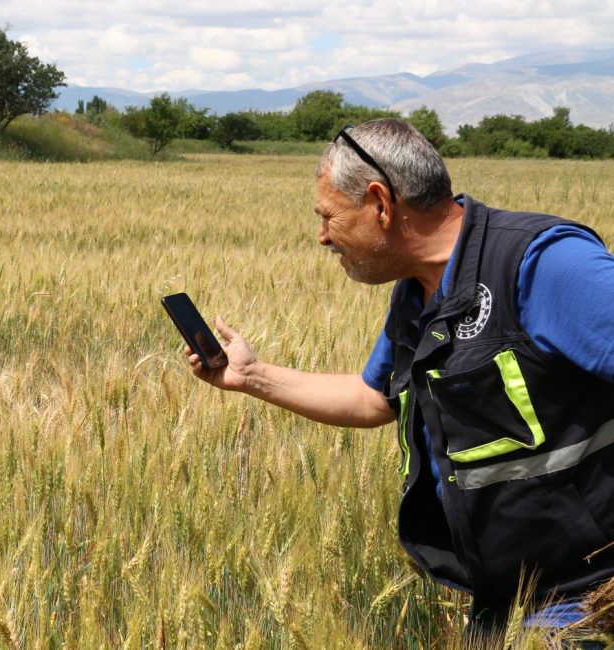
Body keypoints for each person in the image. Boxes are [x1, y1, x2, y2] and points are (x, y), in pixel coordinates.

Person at [185, 118, 614, 643]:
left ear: (380, 203)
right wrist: (252, 376)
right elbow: (373, 399)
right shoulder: (419, 293)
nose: (321, 237)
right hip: (500, 602)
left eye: (329, 217)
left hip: (583, 602)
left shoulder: (542, 264)